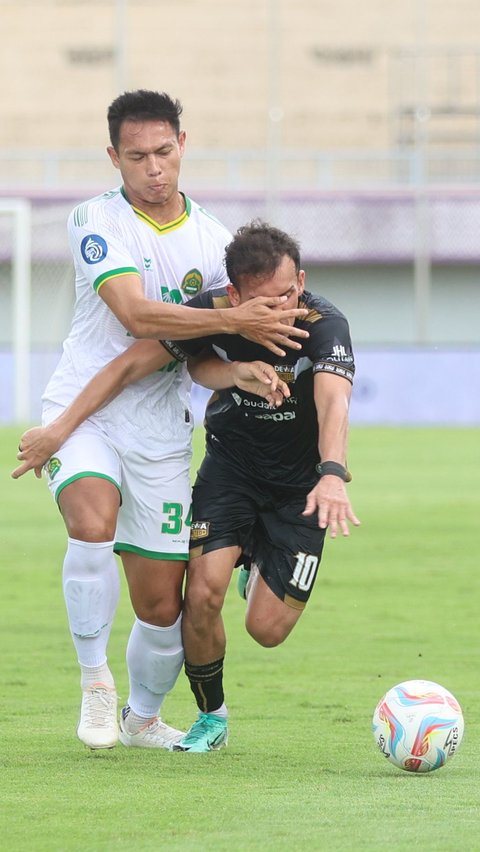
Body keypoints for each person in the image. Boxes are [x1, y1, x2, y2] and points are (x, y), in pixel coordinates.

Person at [20, 90, 309, 752]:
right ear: (113, 157)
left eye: (164, 152)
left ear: (184, 144)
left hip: (161, 429)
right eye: (136, 156)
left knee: (163, 608)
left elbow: (193, 356)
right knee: (90, 522)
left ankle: (143, 718)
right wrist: (235, 318)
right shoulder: (95, 220)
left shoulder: (213, 242)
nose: (153, 168)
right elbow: (136, 318)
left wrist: (233, 371)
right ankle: (96, 685)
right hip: (82, 412)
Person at [14, 220, 359, 753]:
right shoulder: (210, 313)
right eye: (268, 301)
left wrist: (332, 474)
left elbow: (334, 402)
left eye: (292, 292)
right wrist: (57, 431)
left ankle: (260, 561)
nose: (285, 307)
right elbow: (130, 365)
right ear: (236, 295)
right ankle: (212, 716)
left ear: (303, 280)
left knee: (267, 629)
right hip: (231, 474)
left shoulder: (324, 324)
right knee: (200, 595)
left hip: (299, 490)